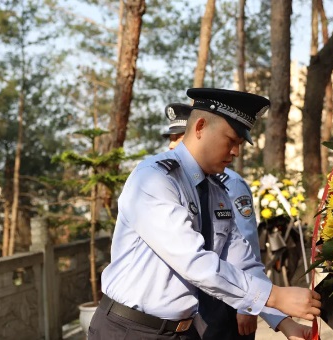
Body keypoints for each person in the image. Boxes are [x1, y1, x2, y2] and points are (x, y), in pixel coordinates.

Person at [89, 88, 320, 340]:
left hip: (183, 331)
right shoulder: (154, 179)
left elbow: (241, 261)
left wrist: (284, 322)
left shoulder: (216, 192)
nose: (236, 153)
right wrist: (274, 295)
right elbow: (194, 261)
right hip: (130, 330)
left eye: (240, 145)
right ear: (200, 127)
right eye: (231, 140)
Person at [162, 103, 267, 339]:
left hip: (224, 296)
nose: (171, 143)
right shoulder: (159, 180)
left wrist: (250, 305)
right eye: (172, 137)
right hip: (189, 304)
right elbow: (191, 259)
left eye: (177, 137)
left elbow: (243, 246)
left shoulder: (224, 184)